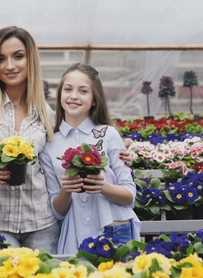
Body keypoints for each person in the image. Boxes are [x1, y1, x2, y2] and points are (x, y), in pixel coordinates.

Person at [0, 26, 60, 253]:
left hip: (42, 223)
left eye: (18, 56)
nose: (9, 66)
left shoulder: (45, 112)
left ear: (30, 59)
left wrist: (113, 148)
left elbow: (58, 158)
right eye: (1, 59)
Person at [40, 63, 141, 255]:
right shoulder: (49, 144)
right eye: (68, 89)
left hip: (115, 229)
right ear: (60, 95)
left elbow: (129, 195)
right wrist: (66, 188)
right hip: (75, 236)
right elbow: (57, 211)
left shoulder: (109, 134)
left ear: (95, 100)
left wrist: (102, 186)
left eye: (83, 91)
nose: (74, 96)